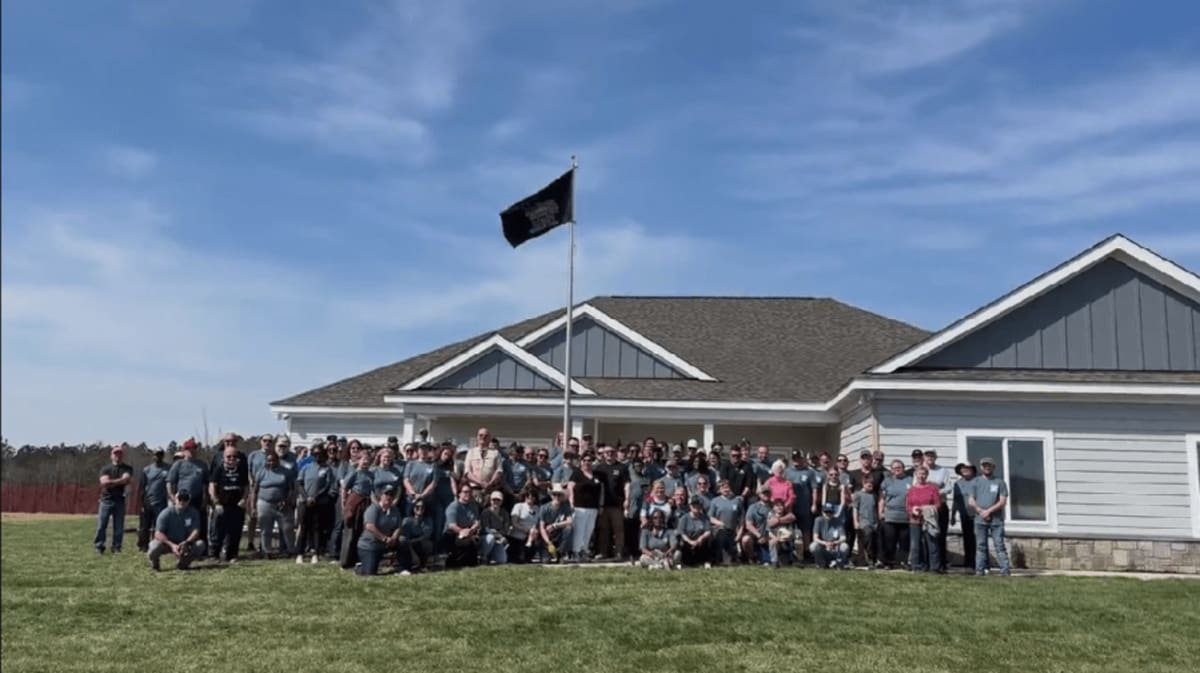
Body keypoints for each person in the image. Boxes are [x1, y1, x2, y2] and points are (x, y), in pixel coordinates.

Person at [970, 457, 1012, 577]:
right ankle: (979, 571)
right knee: (980, 546)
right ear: (981, 467)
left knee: (999, 545)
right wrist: (980, 511)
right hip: (979, 519)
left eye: (989, 465)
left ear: (993, 467)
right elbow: (971, 500)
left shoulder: (1000, 482)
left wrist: (988, 511)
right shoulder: (976, 482)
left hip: (996, 520)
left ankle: (1005, 570)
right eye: (984, 465)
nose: (986, 467)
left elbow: (1002, 501)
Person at [167, 438, 210, 553]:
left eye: (194, 448)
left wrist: (206, 498)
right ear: (184, 450)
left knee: (200, 524)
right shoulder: (178, 464)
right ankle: (181, 548)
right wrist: (172, 497)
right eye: (188, 448)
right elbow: (170, 482)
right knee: (184, 524)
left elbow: (206, 483)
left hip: (198, 499)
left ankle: (202, 550)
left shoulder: (202, 465)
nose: (191, 451)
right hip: (182, 500)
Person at [209, 443, 249, 562]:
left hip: (237, 506)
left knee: (235, 531)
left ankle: (232, 555)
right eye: (229, 456)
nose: (231, 459)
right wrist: (216, 502)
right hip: (222, 505)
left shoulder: (242, 469)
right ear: (224, 457)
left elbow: (246, 486)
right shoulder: (218, 469)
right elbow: (212, 486)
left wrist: (244, 499)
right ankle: (214, 555)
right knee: (218, 531)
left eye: (234, 456)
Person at [148, 492, 207, 571]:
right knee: (154, 547)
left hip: (184, 543)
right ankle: (155, 564)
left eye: (185, 499)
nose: (182, 502)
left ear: (189, 501)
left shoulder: (193, 513)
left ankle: (183, 564)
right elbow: (158, 533)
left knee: (200, 545)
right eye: (180, 499)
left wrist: (187, 542)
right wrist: (172, 545)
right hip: (167, 543)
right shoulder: (166, 513)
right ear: (175, 499)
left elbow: (196, 531)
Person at [296, 446, 336, 564]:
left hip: (319, 502)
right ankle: (300, 553)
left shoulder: (327, 469)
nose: (317, 456)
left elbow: (327, 485)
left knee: (316, 528)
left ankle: (315, 553)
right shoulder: (306, 467)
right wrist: (306, 497)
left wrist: (315, 497)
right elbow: (299, 483)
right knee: (303, 527)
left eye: (319, 454)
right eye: (315, 454)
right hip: (305, 502)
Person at [254, 452, 296, 558]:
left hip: (282, 504)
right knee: (266, 529)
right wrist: (253, 506)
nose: (271, 462)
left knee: (287, 529)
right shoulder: (261, 472)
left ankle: (291, 550)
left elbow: (291, 489)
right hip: (264, 503)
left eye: (273, 460)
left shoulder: (286, 472)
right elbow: (255, 490)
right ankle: (267, 551)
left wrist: (287, 500)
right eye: (269, 460)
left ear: (278, 460)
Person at [94, 443, 134, 555]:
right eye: (115, 453)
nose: (118, 455)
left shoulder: (127, 468)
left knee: (119, 526)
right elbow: (104, 483)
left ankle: (116, 548)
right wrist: (119, 481)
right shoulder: (105, 469)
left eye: (120, 453)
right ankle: (99, 547)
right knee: (101, 525)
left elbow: (126, 479)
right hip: (105, 500)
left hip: (120, 500)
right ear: (111, 455)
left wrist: (111, 482)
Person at [357, 485, 404, 576]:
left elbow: (399, 526)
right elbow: (370, 526)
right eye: (386, 494)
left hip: (386, 544)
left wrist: (394, 537)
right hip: (369, 545)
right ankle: (359, 567)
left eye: (391, 494)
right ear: (380, 496)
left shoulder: (395, 510)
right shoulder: (373, 509)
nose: (389, 497)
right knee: (370, 573)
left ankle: (403, 566)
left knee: (403, 540)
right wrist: (384, 538)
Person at [593, 444, 630, 561]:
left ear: (616, 453)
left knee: (618, 530)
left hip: (617, 504)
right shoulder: (599, 468)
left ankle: (618, 553)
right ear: (603, 454)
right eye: (607, 452)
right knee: (603, 530)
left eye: (612, 452)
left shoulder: (622, 467)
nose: (609, 454)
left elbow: (627, 484)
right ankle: (603, 553)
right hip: (602, 505)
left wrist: (627, 499)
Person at [339, 450, 375, 568]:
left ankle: (358, 559)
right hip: (355, 501)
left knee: (362, 531)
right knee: (351, 532)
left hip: (367, 502)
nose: (365, 462)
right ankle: (345, 561)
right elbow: (344, 488)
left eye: (367, 459)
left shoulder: (371, 474)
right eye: (363, 459)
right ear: (358, 460)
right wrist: (344, 503)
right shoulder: (354, 473)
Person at [567, 452, 603, 562]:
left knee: (589, 531)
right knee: (579, 530)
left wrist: (600, 505)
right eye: (584, 460)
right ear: (581, 462)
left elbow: (601, 492)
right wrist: (571, 502)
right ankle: (576, 552)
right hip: (579, 507)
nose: (587, 462)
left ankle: (584, 551)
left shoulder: (596, 475)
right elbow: (570, 487)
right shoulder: (576, 473)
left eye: (589, 460)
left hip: (593, 508)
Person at [906, 465, 943, 573]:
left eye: (924, 474)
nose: (921, 476)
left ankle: (934, 567)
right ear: (915, 475)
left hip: (929, 520)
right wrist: (912, 510)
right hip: (915, 520)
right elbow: (908, 505)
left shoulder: (932, 488)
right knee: (915, 545)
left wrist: (925, 509)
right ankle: (917, 566)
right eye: (919, 474)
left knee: (932, 544)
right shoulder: (911, 490)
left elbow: (938, 504)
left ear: (927, 475)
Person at [245, 434, 277, 553]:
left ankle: (262, 544)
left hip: (266, 490)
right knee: (252, 517)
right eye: (265, 440)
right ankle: (250, 542)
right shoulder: (254, 455)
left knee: (265, 518)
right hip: (254, 489)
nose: (267, 443)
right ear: (261, 442)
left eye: (269, 441)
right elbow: (248, 470)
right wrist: (251, 481)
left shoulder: (274, 455)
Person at [878, 460, 912, 568]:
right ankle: (889, 562)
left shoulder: (910, 480)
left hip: (905, 516)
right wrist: (880, 512)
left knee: (904, 541)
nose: (897, 469)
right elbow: (882, 498)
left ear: (903, 468)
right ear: (891, 470)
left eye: (899, 467)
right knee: (889, 541)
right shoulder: (887, 481)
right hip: (890, 515)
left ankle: (903, 562)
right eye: (894, 468)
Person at [137, 448, 170, 553]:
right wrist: (141, 502)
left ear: (163, 456)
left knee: (159, 526)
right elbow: (142, 487)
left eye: (160, 454)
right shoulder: (147, 470)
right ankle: (143, 545)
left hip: (161, 502)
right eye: (156, 454)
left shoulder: (168, 469)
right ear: (153, 456)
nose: (157, 456)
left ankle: (157, 545)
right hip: (148, 501)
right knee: (144, 526)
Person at [443, 484, 482, 568]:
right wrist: (463, 531)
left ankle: (472, 565)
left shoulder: (473, 506)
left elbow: (476, 522)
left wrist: (471, 530)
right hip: (453, 534)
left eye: (470, 492)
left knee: (474, 542)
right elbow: (451, 525)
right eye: (465, 492)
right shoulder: (453, 506)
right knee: (466, 543)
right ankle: (455, 564)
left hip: (469, 532)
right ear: (459, 494)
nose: (468, 494)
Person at [707, 479, 743, 565]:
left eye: (727, 487)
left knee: (729, 561)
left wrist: (739, 534)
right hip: (719, 530)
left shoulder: (737, 501)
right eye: (723, 487)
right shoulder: (715, 501)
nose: (726, 489)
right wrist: (720, 523)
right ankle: (717, 559)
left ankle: (731, 557)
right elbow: (710, 518)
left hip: (733, 531)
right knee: (721, 535)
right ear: (719, 489)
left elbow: (741, 520)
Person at [951, 463, 978, 570]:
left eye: (967, 468)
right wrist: (953, 515)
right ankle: (969, 562)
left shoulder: (978, 481)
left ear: (972, 470)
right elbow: (956, 500)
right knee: (967, 538)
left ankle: (979, 562)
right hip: (964, 515)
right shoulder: (958, 484)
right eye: (963, 469)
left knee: (978, 539)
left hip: (977, 514)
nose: (965, 470)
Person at [539, 484, 574, 563]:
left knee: (569, 528)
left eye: (559, 495)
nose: (557, 497)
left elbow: (570, 521)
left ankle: (561, 553)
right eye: (555, 494)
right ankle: (547, 553)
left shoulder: (565, 507)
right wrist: (548, 542)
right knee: (545, 561)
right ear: (551, 496)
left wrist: (554, 525)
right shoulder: (544, 508)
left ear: (562, 496)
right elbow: (542, 528)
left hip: (559, 534)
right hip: (547, 536)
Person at [398, 498, 435, 573]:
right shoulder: (406, 520)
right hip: (408, 544)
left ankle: (423, 564)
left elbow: (426, 535)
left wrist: (413, 541)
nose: (420, 509)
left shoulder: (428, 520)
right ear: (413, 508)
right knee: (402, 541)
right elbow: (404, 536)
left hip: (419, 543)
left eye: (422, 507)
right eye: (417, 507)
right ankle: (405, 566)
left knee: (428, 544)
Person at [465, 427, 502, 498]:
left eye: (486, 436)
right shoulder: (471, 452)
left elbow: (499, 471)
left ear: (489, 438)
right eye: (480, 435)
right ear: (477, 437)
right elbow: (467, 473)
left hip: (490, 489)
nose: (483, 437)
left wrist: (489, 484)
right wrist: (481, 483)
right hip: (474, 489)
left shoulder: (496, 453)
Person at [852, 475, 881, 568]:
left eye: (872, 483)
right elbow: (855, 509)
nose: (870, 485)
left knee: (875, 539)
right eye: (868, 483)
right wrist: (856, 521)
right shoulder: (858, 494)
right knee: (867, 536)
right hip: (863, 521)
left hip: (873, 521)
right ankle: (868, 558)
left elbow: (875, 509)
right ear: (864, 484)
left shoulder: (873, 495)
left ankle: (876, 559)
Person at [741, 483, 773, 565]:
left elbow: (791, 516)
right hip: (756, 534)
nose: (766, 495)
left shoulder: (775, 506)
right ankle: (752, 558)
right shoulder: (753, 507)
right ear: (759, 495)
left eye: (768, 493)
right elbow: (748, 525)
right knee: (745, 540)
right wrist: (759, 536)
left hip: (771, 534)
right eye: (764, 493)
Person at [676, 497, 713, 568]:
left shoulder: (704, 518)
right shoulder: (684, 518)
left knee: (709, 540)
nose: (696, 507)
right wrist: (690, 541)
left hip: (700, 542)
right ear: (690, 506)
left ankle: (707, 561)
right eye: (694, 505)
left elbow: (708, 531)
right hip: (688, 542)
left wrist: (701, 538)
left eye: (698, 505)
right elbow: (682, 533)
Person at [509, 488, 542, 563]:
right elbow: (514, 523)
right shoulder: (518, 506)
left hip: (533, 535)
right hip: (518, 536)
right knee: (520, 560)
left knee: (527, 559)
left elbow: (539, 523)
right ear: (525, 497)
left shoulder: (537, 508)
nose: (530, 498)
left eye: (532, 496)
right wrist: (526, 530)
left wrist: (534, 531)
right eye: (528, 496)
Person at [811, 503, 848, 568]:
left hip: (835, 548)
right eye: (826, 512)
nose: (828, 514)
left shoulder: (838, 521)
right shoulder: (818, 520)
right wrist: (825, 543)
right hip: (823, 548)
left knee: (844, 546)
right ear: (822, 512)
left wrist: (835, 543)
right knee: (813, 546)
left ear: (833, 512)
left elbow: (843, 537)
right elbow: (815, 538)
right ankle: (821, 564)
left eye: (830, 512)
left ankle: (839, 564)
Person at [480, 491, 511, 565]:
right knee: (490, 538)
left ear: (502, 501)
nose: (496, 502)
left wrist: (502, 537)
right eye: (494, 500)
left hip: (499, 540)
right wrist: (499, 536)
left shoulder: (504, 513)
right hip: (486, 538)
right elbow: (486, 529)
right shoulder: (485, 512)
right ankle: (483, 557)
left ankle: (491, 556)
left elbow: (506, 528)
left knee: (502, 560)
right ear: (490, 501)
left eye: (498, 500)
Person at [766, 498, 797, 568]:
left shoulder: (788, 516)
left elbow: (791, 531)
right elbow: (768, 531)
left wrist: (779, 520)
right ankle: (774, 562)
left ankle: (798, 560)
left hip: (786, 541)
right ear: (773, 507)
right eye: (777, 506)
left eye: (781, 506)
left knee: (798, 536)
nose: (779, 508)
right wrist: (776, 538)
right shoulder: (770, 516)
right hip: (775, 540)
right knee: (772, 542)